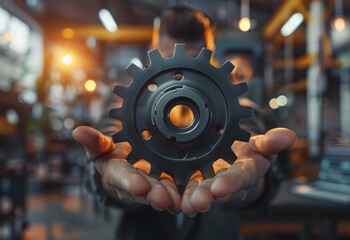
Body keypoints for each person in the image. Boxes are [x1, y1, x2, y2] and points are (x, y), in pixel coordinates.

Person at [72, 5, 297, 240]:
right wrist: (110, 177)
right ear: (153, 51)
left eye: (191, 63)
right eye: (171, 62)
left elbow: (250, 137)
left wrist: (251, 186)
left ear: (210, 55)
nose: (180, 77)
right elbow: (107, 135)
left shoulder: (234, 104)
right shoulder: (126, 100)